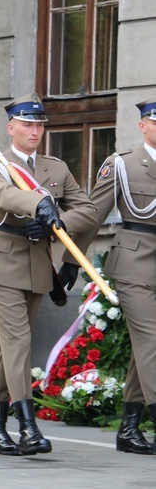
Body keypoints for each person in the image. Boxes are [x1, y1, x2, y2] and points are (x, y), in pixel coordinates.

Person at [0, 93, 97, 456]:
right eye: (27, 124)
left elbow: (87, 210)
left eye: (39, 124)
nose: (35, 130)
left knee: (4, 349)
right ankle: (27, 426)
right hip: (1, 263)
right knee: (17, 342)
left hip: (37, 266)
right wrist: (39, 204)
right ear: (11, 127)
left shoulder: (55, 168)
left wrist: (54, 225)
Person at [61, 96, 156, 455]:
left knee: (146, 348)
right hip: (134, 263)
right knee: (151, 340)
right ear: (143, 125)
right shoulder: (121, 164)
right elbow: (92, 214)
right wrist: (73, 259)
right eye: (155, 121)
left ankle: (129, 427)